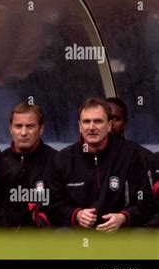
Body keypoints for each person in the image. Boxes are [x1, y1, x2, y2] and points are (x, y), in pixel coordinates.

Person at [47, 98, 154, 231]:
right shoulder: (63, 159)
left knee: (143, 236)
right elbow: (52, 205)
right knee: (60, 235)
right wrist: (76, 215)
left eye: (98, 121)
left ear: (109, 125)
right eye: (86, 122)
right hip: (78, 236)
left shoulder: (129, 155)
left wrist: (123, 217)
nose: (91, 127)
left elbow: (146, 202)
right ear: (79, 126)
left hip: (120, 234)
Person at [2, 103, 57, 226]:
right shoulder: (0, 162)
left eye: (30, 126)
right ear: (10, 129)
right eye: (18, 126)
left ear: (41, 129)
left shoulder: (56, 160)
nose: (23, 132)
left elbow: (61, 205)